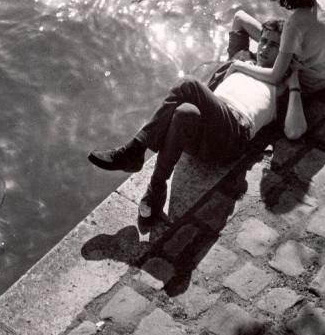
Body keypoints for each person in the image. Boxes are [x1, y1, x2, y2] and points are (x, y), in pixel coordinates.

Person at [88, 20, 285, 220]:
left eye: (274, 45)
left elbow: (296, 129)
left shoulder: (281, 86)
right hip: (205, 139)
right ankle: (156, 189)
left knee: (188, 83)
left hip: (234, 134)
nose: (264, 48)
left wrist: (291, 78)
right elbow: (239, 20)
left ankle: (134, 149)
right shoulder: (242, 58)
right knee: (185, 112)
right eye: (263, 41)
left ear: (285, 52)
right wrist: (245, 60)